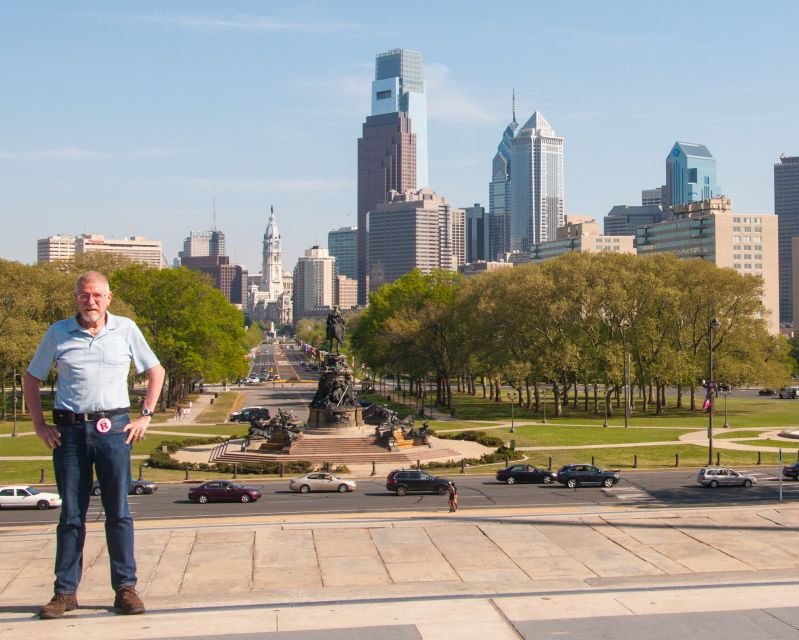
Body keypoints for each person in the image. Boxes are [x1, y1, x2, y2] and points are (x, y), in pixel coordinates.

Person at [22, 271, 165, 620]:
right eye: (85, 295)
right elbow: (31, 377)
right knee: (71, 516)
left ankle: (125, 589)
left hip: (114, 429)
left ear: (109, 298)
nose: (91, 301)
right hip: (69, 432)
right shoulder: (58, 332)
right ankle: (65, 592)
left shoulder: (126, 329)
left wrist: (145, 415)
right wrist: (39, 425)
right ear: (76, 298)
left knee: (119, 512)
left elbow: (155, 371)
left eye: (97, 295)